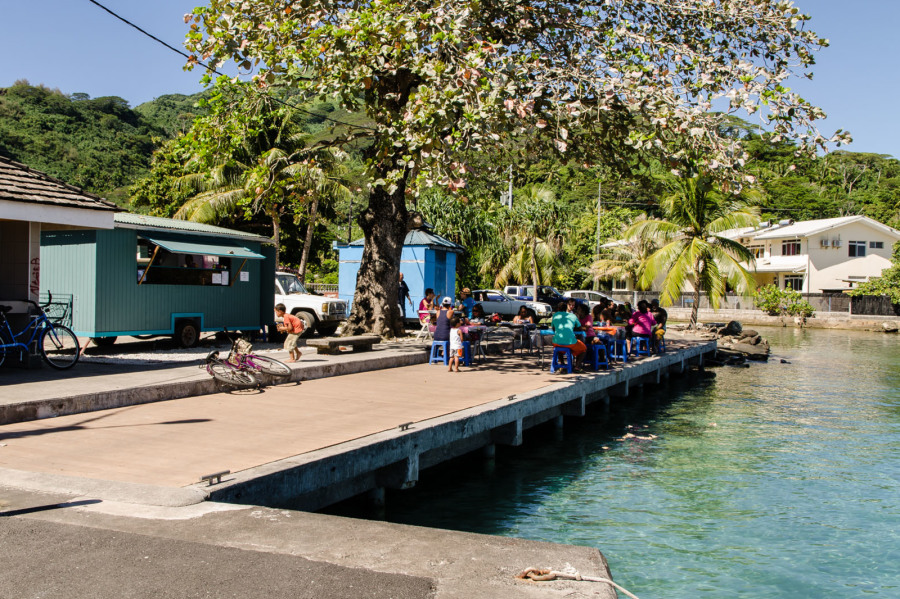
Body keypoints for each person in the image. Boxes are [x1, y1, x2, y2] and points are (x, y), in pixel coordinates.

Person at [551, 301, 586, 369]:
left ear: (558, 309)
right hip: (570, 342)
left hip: (556, 342)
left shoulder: (555, 315)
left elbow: (553, 328)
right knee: (584, 349)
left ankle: (562, 364)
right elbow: (579, 328)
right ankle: (577, 366)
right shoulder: (573, 316)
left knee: (558, 347)